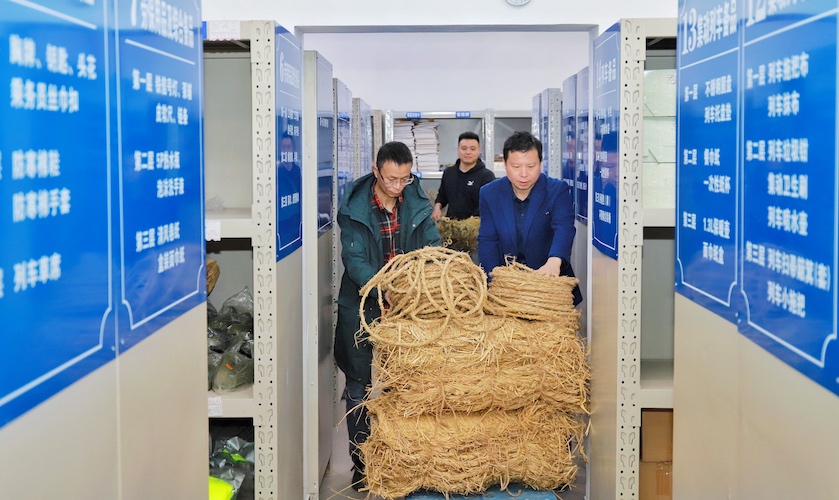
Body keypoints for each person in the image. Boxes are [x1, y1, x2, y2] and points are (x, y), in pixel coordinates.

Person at [334, 141, 441, 489]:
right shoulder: (354, 208)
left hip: (408, 307)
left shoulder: (417, 203)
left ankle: (402, 459)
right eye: (391, 179)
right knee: (359, 386)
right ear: (376, 171)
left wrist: (419, 284)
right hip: (363, 304)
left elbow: (432, 247)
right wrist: (384, 288)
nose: (397, 186)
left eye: (404, 179)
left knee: (405, 382)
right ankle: (362, 464)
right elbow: (355, 261)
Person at [478, 130, 582, 305]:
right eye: (516, 167)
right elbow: (488, 240)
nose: (524, 174)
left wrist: (554, 261)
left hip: (549, 285)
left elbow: (564, 228)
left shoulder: (557, 190)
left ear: (541, 164)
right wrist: (496, 281)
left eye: (531, 166)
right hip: (506, 289)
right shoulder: (489, 193)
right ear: (505, 164)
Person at [431, 131, 496, 222]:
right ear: (458, 149)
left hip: (477, 227)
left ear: (479, 150)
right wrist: (437, 208)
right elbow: (442, 196)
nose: (468, 152)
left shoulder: (487, 176)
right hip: (451, 226)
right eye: (464, 148)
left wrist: (470, 222)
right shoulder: (449, 173)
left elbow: (488, 204)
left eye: (472, 149)